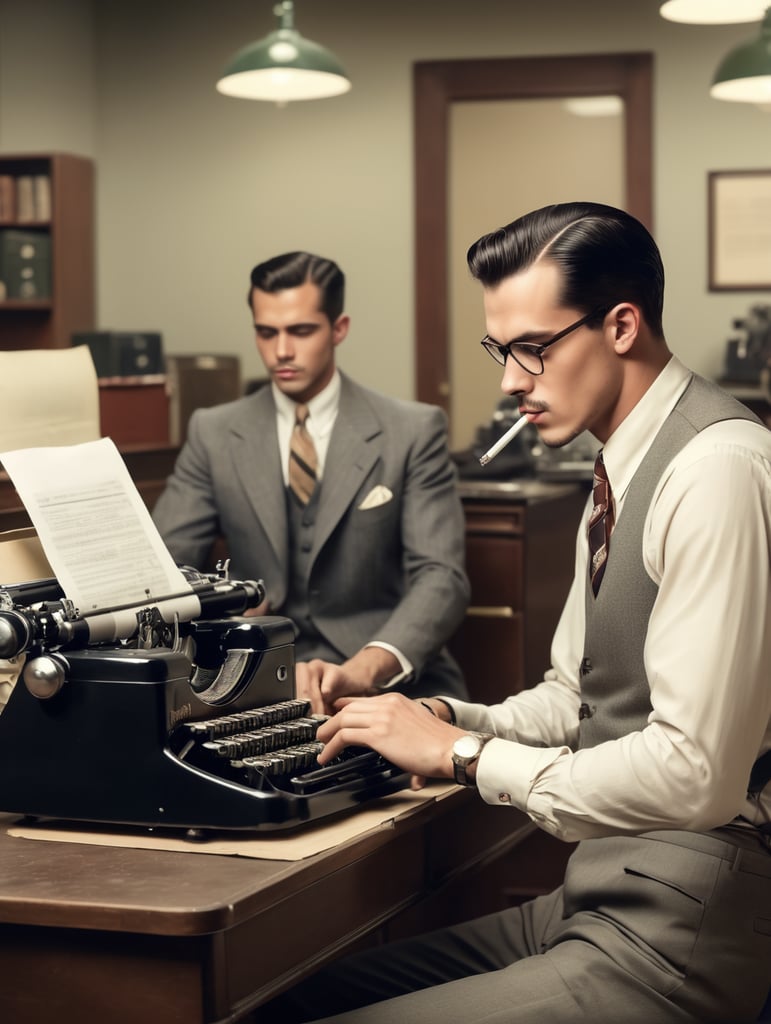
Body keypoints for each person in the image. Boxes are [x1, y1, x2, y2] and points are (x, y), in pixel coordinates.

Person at [258, 203, 771, 1023]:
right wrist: (437, 716)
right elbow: (573, 701)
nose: (508, 380)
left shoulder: (717, 471)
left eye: (532, 348)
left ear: (621, 326)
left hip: (686, 924)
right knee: (291, 998)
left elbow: (695, 775)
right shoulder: (617, 467)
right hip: (602, 893)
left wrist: (462, 755)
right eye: (501, 350)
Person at [152, 251, 469, 712]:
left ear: (338, 329)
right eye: (267, 332)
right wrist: (226, 615)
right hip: (250, 680)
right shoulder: (213, 432)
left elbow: (442, 578)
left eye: (301, 331)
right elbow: (164, 571)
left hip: (382, 680)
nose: (281, 350)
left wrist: (365, 668)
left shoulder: (412, 430)